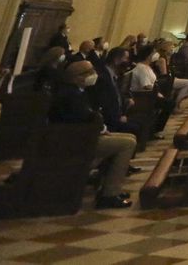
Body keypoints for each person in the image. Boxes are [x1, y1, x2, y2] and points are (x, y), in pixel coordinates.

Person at [50, 60, 135, 209]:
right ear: (77, 77)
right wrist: (101, 130)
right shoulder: (71, 94)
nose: (94, 75)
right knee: (127, 144)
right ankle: (109, 194)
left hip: (82, 135)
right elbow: (81, 118)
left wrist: (101, 129)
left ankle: (108, 187)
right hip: (73, 140)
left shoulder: (77, 91)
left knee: (130, 138)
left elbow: (87, 115)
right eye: (89, 72)